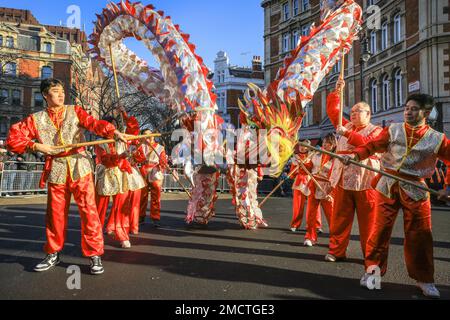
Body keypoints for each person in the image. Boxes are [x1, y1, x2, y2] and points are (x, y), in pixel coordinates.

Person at [6, 78, 127, 274]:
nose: (61, 94)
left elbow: (94, 124)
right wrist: (36, 145)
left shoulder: (75, 111)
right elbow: (13, 138)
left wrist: (113, 131)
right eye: (55, 91)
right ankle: (53, 252)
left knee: (89, 212)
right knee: (55, 215)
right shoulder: (35, 119)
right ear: (45, 95)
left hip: (80, 167)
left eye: (62, 91)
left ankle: (94, 254)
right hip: (56, 169)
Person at [342, 93, 450, 299]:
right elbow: (372, 146)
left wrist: (448, 187)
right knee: (379, 232)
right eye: (407, 108)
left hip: (417, 189)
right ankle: (373, 273)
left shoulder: (438, 138)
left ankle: (424, 279)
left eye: (414, 109)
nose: (408, 111)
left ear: (426, 113)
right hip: (387, 185)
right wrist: (355, 155)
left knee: (421, 235)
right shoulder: (392, 129)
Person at [325, 79, 383, 262]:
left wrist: (347, 134)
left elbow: (369, 145)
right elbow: (333, 112)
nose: (353, 114)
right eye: (352, 112)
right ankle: (336, 251)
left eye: (358, 111)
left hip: (366, 180)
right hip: (343, 178)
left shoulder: (377, 130)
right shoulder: (345, 126)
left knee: (370, 221)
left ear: (368, 113)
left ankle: (370, 255)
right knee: (339, 218)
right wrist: (336, 92)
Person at [96, 111, 146, 248]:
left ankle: (122, 234)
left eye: (115, 126)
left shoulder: (123, 139)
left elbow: (134, 131)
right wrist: (121, 156)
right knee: (100, 208)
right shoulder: (100, 143)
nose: (112, 128)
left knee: (122, 207)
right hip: (105, 176)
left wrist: (125, 115)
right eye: (109, 126)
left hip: (122, 175)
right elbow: (105, 160)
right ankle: (96, 234)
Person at [303, 134, 336, 247]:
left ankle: (336, 240)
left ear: (334, 145)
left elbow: (337, 176)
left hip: (328, 187)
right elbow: (308, 168)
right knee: (311, 213)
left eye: (329, 143)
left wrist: (332, 191)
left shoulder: (336, 157)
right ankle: (310, 237)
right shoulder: (315, 154)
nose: (326, 144)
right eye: (325, 142)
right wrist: (303, 164)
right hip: (314, 184)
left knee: (331, 215)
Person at [289, 141, 321, 232]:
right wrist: (293, 172)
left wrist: (305, 165)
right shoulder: (295, 157)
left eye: (304, 146)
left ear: (308, 147)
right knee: (297, 205)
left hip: (310, 181)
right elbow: (292, 173)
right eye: (300, 146)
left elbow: (315, 168)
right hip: (299, 182)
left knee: (314, 205)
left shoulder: (313, 156)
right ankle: (295, 224)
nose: (302, 148)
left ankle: (316, 225)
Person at [139, 129, 167, 227]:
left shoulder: (160, 147)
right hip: (143, 170)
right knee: (142, 195)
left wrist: (163, 163)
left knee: (156, 195)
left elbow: (163, 160)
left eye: (150, 134)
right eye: (145, 135)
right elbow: (137, 157)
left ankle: (155, 217)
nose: (148, 136)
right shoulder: (140, 147)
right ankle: (140, 216)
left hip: (155, 171)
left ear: (153, 136)